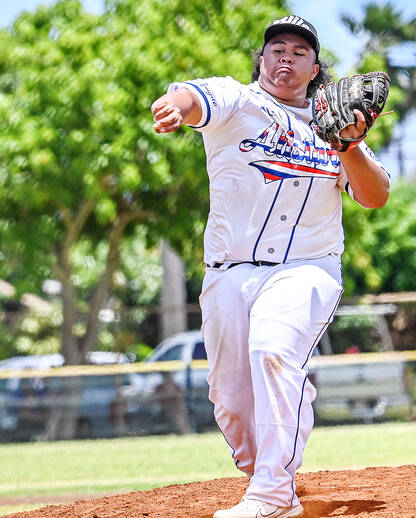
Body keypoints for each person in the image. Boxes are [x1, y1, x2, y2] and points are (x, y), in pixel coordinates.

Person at [150, 15, 389, 518]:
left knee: (274, 349)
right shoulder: (237, 101)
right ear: (261, 60)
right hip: (229, 273)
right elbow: (195, 95)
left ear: (315, 67)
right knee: (232, 400)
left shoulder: (332, 127)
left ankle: (272, 493)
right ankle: (270, 473)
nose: (285, 56)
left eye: (299, 51)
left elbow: (375, 195)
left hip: (306, 269)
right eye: (276, 48)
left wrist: (347, 145)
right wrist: (177, 104)